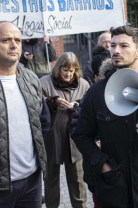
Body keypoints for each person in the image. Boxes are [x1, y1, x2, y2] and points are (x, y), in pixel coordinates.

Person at [72, 26, 138, 208]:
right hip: (116, 189)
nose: (115, 50)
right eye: (113, 45)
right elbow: (80, 134)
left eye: (123, 46)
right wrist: (102, 163)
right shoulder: (97, 93)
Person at [0, 21, 47, 208]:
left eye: (18, 40)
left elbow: (44, 123)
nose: (14, 45)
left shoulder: (31, 79)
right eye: (6, 40)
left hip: (32, 181)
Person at [40, 52, 90, 208]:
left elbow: (90, 108)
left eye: (72, 70)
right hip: (51, 139)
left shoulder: (83, 84)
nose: (69, 74)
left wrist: (79, 105)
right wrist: (51, 102)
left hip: (74, 140)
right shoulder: (45, 82)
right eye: (65, 70)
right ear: (58, 68)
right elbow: (36, 106)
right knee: (51, 179)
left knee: (77, 179)